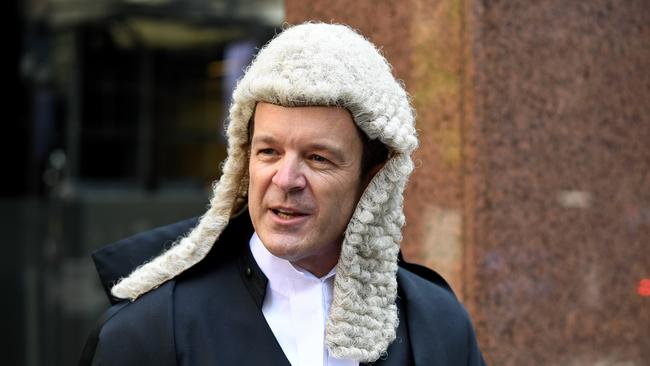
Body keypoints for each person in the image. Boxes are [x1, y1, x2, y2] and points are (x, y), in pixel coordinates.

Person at [79, 22, 486, 366]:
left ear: (373, 177)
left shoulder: (437, 326)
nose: (286, 178)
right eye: (269, 151)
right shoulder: (147, 334)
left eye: (318, 158)